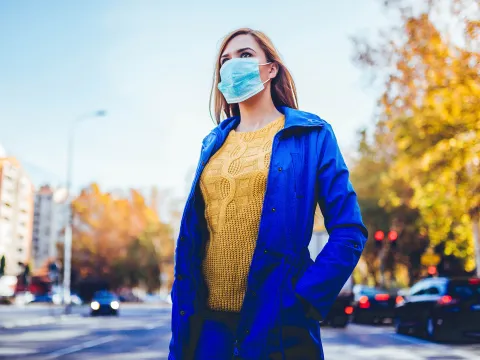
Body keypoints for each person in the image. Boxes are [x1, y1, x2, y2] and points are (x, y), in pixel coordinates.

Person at [168, 28, 368, 360]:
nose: (233, 65)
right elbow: (194, 236)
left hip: (277, 326)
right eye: (225, 60)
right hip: (207, 329)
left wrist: (302, 300)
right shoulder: (212, 143)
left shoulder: (312, 135)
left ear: (271, 67)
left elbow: (349, 231)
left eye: (245, 55)